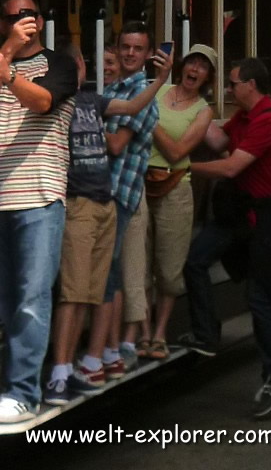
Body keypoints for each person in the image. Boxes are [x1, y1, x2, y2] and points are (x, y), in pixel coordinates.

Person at [45, 42, 171, 404]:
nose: (77, 70)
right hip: (78, 203)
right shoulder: (55, 103)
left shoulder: (94, 102)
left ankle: (70, 370)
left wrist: (160, 79)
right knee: (72, 291)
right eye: (70, 66)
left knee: (91, 291)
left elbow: (132, 107)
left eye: (77, 65)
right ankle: (58, 374)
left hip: (106, 203)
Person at [191, 58, 271, 417]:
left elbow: (230, 166)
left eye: (233, 83)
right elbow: (216, 137)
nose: (229, 89)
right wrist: (183, 103)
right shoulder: (244, 118)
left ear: (251, 85)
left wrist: (180, 167)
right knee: (267, 303)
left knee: (268, 302)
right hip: (257, 219)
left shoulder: (269, 121)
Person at [0, 0, 78, 423]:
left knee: (30, 298)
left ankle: (24, 393)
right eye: (11, 16)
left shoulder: (60, 63)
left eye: (27, 14)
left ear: (41, 21)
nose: (19, 20)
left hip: (39, 198)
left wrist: (7, 67)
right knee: (6, 300)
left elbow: (43, 102)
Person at [123, 45, 216, 362]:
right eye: (192, 62)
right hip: (138, 181)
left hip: (176, 188)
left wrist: (148, 119)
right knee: (139, 261)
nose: (195, 70)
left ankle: (161, 332)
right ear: (182, 66)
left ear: (208, 77)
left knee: (169, 267)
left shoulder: (203, 111)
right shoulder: (158, 89)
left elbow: (178, 153)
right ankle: (145, 333)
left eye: (203, 67)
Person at [81, 21, 160, 384]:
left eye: (137, 49)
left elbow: (115, 146)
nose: (129, 54)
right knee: (105, 274)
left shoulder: (141, 91)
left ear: (147, 54)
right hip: (103, 193)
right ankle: (109, 353)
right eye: (124, 47)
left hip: (119, 194)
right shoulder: (113, 89)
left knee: (108, 275)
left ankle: (101, 356)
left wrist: (85, 127)